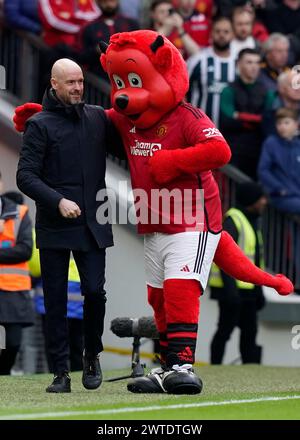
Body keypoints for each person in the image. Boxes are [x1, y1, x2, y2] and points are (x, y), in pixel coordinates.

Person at [16, 58, 121, 393]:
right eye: (71, 83)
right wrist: (57, 200)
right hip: (54, 225)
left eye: (80, 82)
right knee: (56, 301)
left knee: (94, 292)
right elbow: (25, 176)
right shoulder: (40, 124)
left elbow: (129, 150)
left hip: (94, 223)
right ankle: (60, 372)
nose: (78, 88)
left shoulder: (97, 118)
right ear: (54, 84)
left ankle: (92, 354)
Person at [210, 182, 267, 364]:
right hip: (231, 290)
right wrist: (231, 291)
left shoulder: (252, 221)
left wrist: (259, 290)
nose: (264, 202)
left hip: (248, 289)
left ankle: (250, 369)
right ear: (252, 200)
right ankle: (215, 367)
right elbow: (223, 257)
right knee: (224, 331)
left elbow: (256, 261)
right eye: (261, 198)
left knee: (250, 332)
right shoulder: (233, 220)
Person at [220, 48, 274, 179]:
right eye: (249, 62)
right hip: (234, 148)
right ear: (239, 64)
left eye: (257, 63)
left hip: (258, 148)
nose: (254, 67)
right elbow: (227, 120)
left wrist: (240, 116)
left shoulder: (267, 91)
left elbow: (267, 121)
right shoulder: (229, 90)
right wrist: (256, 120)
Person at [0, 172, 34, 375]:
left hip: (13, 289)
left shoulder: (20, 213)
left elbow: (25, 250)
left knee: (12, 343)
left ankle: (3, 373)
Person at [258, 108, 300, 214]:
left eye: (286, 122)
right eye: (279, 123)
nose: (282, 127)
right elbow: (263, 170)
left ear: (296, 124)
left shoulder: (298, 145)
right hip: (281, 196)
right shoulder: (271, 143)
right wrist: (279, 189)